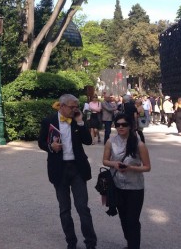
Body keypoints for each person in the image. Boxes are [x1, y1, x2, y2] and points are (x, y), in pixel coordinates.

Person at [38, 94, 97, 249]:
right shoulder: (48, 121)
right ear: (62, 106)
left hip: (77, 168)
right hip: (59, 169)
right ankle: (71, 242)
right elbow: (41, 142)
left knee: (83, 207)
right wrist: (51, 146)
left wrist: (81, 122)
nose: (75, 109)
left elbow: (88, 141)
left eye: (76, 106)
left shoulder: (77, 121)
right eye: (72, 107)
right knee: (64, 209)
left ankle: (90, 243)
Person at [103, 113, 151, 249]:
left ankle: (134, 246)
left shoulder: (139, 144)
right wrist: (114, 164)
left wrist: (130, 167)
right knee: (123, 218)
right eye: (117, 125)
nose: (120, 127)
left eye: (124, 124)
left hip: (135, 187)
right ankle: (130, 243)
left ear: (130, 126)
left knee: (132, 220)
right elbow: (105, 160)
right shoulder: (110, 141)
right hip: (117, 186)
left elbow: (147, 167)